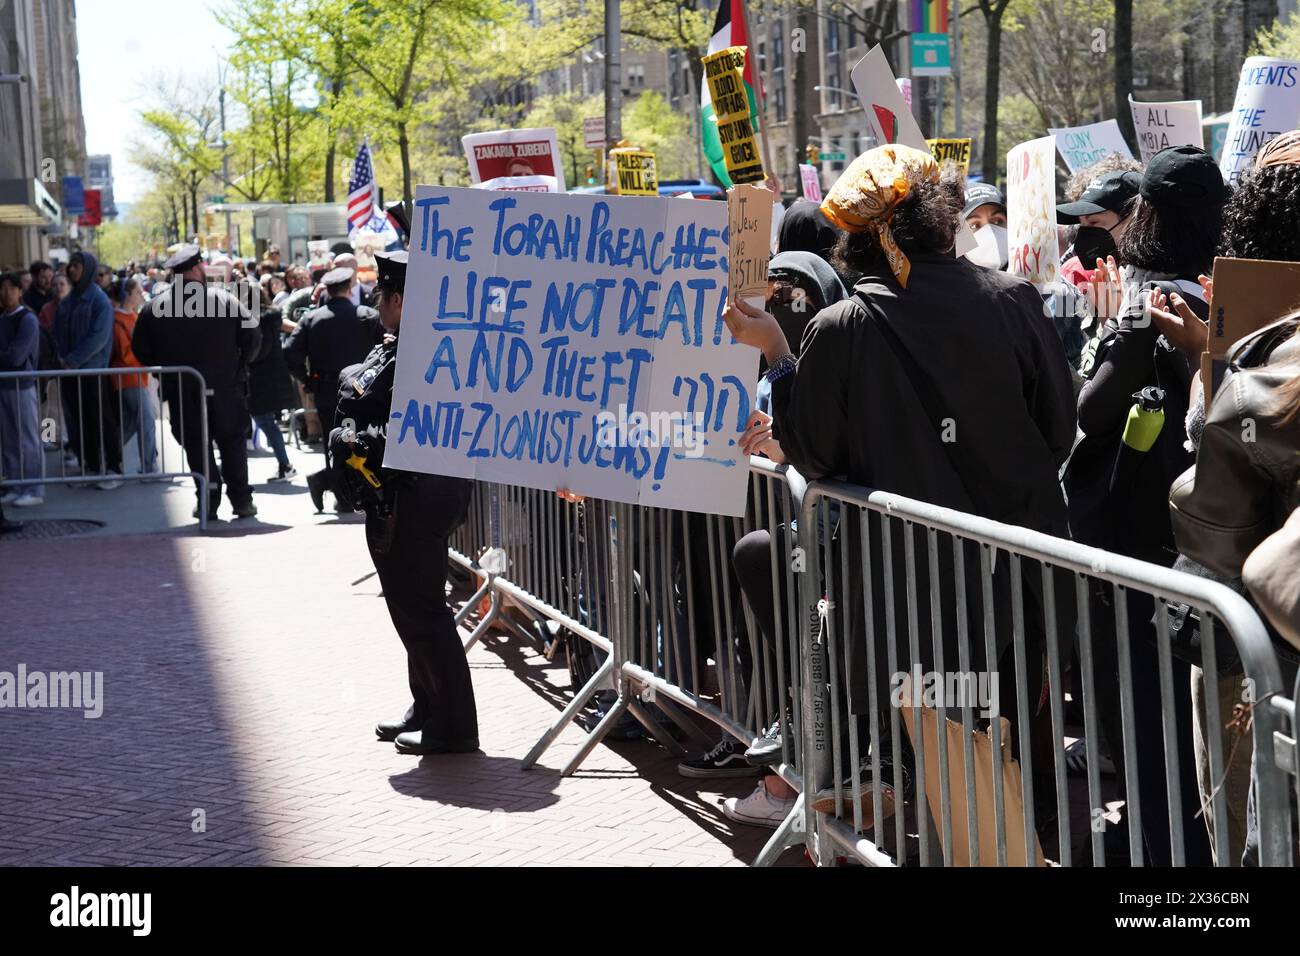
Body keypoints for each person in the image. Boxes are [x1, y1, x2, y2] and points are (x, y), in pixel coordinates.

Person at [723, 144, 1077, 827]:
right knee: (1005, 770)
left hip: (901, 592)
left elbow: (815, 454)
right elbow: (1055, 431)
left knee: (938, 754)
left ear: (854, 239)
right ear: (943, 219)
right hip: (1011, 582)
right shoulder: (1013, 301)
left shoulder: (842, 326)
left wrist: (778, 356)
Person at [1064, 144, 1227, 866]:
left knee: (1152, 717)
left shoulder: (1153, 313)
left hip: (1143, 551)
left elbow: (1092, 416)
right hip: (1209, 545)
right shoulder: (1232, 301)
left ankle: (1166, 856)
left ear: (1148, 216)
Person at [331, 250, 478, 755]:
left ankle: (453, 726)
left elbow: (368, 403)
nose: (376, 306)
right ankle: (429, 705)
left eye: (381, 296)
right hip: (421, 492)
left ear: (398, 299)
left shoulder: (415, 351)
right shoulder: (427, 344)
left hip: (414, 495)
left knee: (421, 612)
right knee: (412, 609)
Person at [132, 244, 261, 521]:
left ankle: (208, 499)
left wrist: (164, 370)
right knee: (232, 444)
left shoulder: (154, 308)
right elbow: (252, 339)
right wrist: (239, 365)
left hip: (183, 390)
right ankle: (241, 500)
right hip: (226, 388)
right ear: (193, 269)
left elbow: (141, 350)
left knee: (197, 446)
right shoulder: (225, 300)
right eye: (201, 266)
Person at [284, 265, 380, 511]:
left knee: (338, 441)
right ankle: (342, 491)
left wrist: (306, 380)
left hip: (329, 392)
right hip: (365, 391)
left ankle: (333, 485)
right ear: (350, 288)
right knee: (363, 441)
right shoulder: (367, 315)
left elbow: (291, 353)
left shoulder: (312, 318)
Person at [54, 251, 123, 487]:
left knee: (101, 419)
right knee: (80, 422)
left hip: (93, 372)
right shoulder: (69, 301)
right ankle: (92, 466)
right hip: (70, 372)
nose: (71, 270)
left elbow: (98, 338)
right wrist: (62, 359)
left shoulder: (99, 301)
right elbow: (59, 334)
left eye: (76, 266)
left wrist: (71, 360)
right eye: (70, 266)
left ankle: (114, 468)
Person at [0, 271, 44, 506]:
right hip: (4, 385)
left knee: (27, 439)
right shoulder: (3, 319)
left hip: (22, 385)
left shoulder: (27, 318)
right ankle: (15, 485)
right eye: (2, 288)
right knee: (8, 440)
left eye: (11, 288)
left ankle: (34, 489)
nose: (6, 293)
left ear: (19, 291)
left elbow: (17, 356)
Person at [246, 294, 299, 484]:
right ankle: (285, 465)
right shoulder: (268, 318)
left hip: (259, 380)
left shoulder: (256, 320)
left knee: (265, 422)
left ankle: (285, 465)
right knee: (266, 422)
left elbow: (257, 351)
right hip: (268, 379)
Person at [109, 276, 158, 476]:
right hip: (128, 376)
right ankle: (148, 466)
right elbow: (126, 353)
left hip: (136, 376)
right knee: (146, 420)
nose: (141, 295)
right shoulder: (118, 320)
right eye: (137, 292)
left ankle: (106, 455)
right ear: (127, 295)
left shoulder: (132, 316)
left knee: (130, 423)